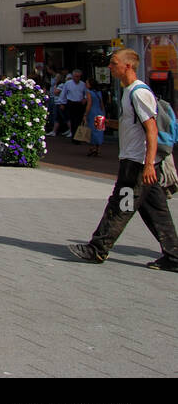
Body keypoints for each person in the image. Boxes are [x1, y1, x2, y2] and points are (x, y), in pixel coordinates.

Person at [68, 48, 178, 271]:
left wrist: (148, 164)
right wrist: (110, 124)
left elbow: (151, 129)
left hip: (137, 163)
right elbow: (137, 126)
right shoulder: (129, 92)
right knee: (156, 210)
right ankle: (174, 255)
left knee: (120, 205)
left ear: (128, 66)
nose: (110, 67)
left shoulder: (138, 93)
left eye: (114, 63)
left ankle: (98, 248)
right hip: (136, 160)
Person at [61, 69, 88, 138]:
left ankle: (78, 136)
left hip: (79, 104)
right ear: (73, 76)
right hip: (71, 103)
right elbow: (63, 93)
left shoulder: (83, 84)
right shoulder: (68, 83)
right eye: (76, 76)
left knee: (79, 120)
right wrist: (62, 103)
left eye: (79, 76)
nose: (77, 78)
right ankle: (74, 135)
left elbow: (86, 93)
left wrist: (85, 98)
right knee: (72, 120)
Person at [85, 77, 106, 157]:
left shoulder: (89, 92)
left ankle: (92, 147)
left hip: (92, 112)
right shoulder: (98, 92)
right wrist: (103, 112)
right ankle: (98, 148)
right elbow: (101, 103)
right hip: (99, 112)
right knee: (99, 129)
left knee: (92, 130)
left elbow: (89, 103)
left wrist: (85, 114)